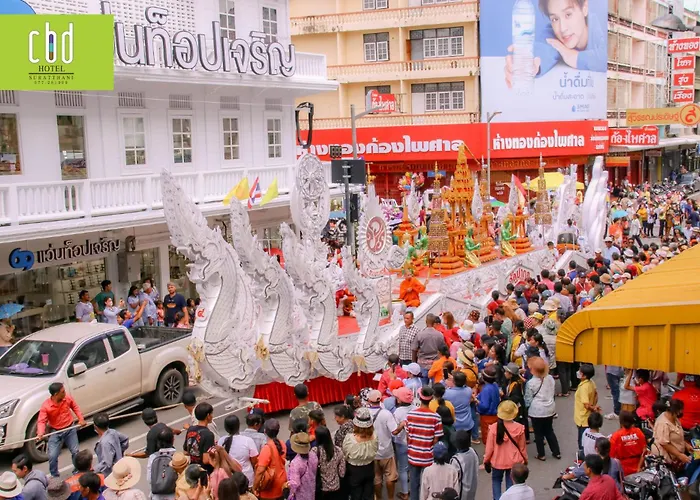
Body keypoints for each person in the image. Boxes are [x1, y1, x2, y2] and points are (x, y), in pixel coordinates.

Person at [37, 382, 86, 478]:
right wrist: (40, 433)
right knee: (52, 456)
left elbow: (75, 407)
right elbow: (41, 421)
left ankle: (77, 471)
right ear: (56, 394)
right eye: (63, 392)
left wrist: (81, 419)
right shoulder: (46, 406)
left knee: (75, 452)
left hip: (70, 428)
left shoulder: (67, 398)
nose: (65, 393)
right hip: (56, 431)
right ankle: (54, 475)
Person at [483, 401, 528, 500]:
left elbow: (489, 449)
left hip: (497, 461)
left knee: (496, 480)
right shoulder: (519, 428)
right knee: (510, 484)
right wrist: (525, 460)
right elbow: (522, 447)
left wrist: (486, 461)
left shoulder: (494, 428)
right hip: (514, 462)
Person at [405, 386, 443, 500]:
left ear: (420, 398)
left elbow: (407, 436)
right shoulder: (436, 417)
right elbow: (436, 440)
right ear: (431, 399)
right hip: (428, 456)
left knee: (414, 484)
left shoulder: (410, 415)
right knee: (430, 484)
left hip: (413, 454)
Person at [524, 357, 560, 460]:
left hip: (536, 410)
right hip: (549, 408)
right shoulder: (550, 378)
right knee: (549, 430)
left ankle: (541, 454)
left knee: (538, 433)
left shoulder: (531, 383)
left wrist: (526, 408)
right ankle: (556, 452)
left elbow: (528, 399)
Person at [366, 390, 398, 500]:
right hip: (386, 451)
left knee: (376, 478)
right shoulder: (386, 414)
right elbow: (394, 431)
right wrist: (402, 425)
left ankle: (378, 498)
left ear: (369, 400)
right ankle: (390, 498)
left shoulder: (364, 413)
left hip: (371, 451)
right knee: (390, 477)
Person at [342, 407, 379, 500]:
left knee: (356, 494)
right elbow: (376, 450)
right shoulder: (374, 436)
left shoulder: (350, 438)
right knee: (369, 493)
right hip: (369, 467)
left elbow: (345, 453)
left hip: (354, 469)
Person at [653, 399, 694, 467]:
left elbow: (677, 435)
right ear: (676, 411)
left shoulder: (674, 418)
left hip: (677, 457)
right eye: (681, 410)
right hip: (666, 459)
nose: (681, 412)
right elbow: (664, 444)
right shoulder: (663, 423)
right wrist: (679, 455)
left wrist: (686, 445)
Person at [218, 415, 258, 484]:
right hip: (247, 478)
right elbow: (254, 460)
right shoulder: (247, 440)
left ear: (226, 427)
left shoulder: (221, 441)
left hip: (229, 479)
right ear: (238, 426)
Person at [392, 388, 416, 500]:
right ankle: (414, 490)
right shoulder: (416, 409)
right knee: (413, 467)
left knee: (402, 468)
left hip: (401, 443)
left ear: (400, 400)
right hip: (414, 442)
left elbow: (394, 429)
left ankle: (405, 492)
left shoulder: (397, 412)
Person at [254, 418, 287, 500]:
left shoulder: (267, 448)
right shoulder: (282, 443)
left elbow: (260, 471)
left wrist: (255, 487)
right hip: (282, 484)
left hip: (270, 487)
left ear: (265, 431)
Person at [311, 426, 345, 499]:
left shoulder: (315, 451)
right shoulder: (338, 450)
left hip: (321, 487)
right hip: (335, 486)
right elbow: (342, 472)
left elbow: (312, 470)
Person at [412, 314, 448, 384]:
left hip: (422, 364)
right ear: (434, 322)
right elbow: (443, 349)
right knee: (436, 386)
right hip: (435, 364)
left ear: (426, 322)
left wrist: (414, 363)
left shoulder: (420, 335)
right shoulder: (439, 335)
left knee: (423, 386)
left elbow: (414, 349)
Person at [610, 411, 646, 476]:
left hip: (623, 469)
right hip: (639, 467)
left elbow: (611, 456)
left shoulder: (616, 436)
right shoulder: (639, 432)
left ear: (621, 422)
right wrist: (639, 467)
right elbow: (644, 452)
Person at [183, 403, 216, 472]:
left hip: (193, 469)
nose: (212, 416)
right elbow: (206, 460)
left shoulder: (190, 429)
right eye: (211, 414)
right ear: (208, 416)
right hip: (204, 471)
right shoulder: (208, 435)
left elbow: (185, 452)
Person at [146, 428, 177, 500]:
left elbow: (149, 479)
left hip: (157, 496)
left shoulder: (153, 457)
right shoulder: (177, 456)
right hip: (173, 494)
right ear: (173, 440)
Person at [575, 364, 601, 449]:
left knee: (582, 440)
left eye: (580, 372)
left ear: (584, 376)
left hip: (582, 418)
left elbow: (586, 405)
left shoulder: (584, 387)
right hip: (588, 416)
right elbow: (596, 395)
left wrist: (593, 408)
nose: (578, 373)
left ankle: (582, 454)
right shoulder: (591, 382)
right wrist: (593, 406)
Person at [286, 432, 317, 500]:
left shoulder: (296, 463)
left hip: (300, 495)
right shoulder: (313, 455)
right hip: (311, 490)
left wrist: (286, 485)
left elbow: (295, 483)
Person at [449, 430, 478, 500]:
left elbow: (452, 479)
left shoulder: (456, 460)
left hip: (461, 494)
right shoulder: (473, 451)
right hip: (472, 489)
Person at [476, 366, 500, 448]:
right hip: (496, 415)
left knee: (488, 439)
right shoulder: (495, 385)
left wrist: (476, 401)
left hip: (487, 417)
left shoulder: (486, 389)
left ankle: (489, 454)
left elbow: (484, 406)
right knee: (494, 437)